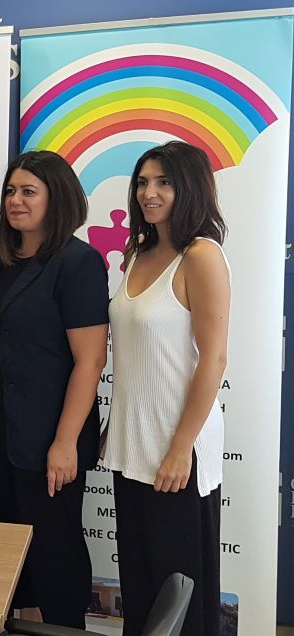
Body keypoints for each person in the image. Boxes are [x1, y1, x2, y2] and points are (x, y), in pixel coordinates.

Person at [0, 151, 108, 627]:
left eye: (28, 191)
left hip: (48, 438)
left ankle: (65, 629)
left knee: (54, 551)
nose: (15, 201)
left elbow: (90, 361)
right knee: (0, 547)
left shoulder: (79, 263)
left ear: (56, 198)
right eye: (10, 191)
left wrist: (66, 442)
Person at [104, 141, 229, 636]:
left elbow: (213, 359)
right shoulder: (139, 252)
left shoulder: (201, 255)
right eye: (142, 182)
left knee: (181, 595)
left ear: (190, 187)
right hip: (133, 443)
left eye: (164, 182)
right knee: (142, 588)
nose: (148, 192)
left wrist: (181, 449)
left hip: (178, 447)